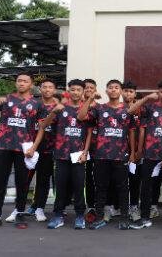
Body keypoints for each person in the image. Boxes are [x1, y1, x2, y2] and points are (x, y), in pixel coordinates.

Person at [0, 73, 56, 230]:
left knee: (22, 184)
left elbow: (42, 127)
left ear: (31, 85)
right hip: (3, 147)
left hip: (24, 149)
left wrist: (33, 147)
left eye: (25, 81)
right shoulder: (5, 99)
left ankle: (20, 214)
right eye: (19, 80)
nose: (21, 83)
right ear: (16, 83)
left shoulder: (37, 104)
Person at [79, 79, 135, 230]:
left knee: (123, 188)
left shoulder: (128, 110)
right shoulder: (99, 108)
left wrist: (132, 153)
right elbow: (81, 117)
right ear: (106, 91)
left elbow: (131, 132)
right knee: (101, 187)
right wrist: (90, 98)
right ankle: (99, 217)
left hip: (120, 155)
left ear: (121, 91)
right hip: (101, 155)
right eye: (110, 87)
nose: (113, 90)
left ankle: (124, 218)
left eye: (116, 87)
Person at [128, 79, 162, 230]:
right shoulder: (150, 108)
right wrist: (146, 98)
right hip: (150, 156)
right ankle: (145, 217)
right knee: (146, 187)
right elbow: (130, 111)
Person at [43, 79, 93, 229]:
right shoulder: (60, 108)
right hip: (61, 155)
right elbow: (44, 125)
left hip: (78, 155)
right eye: (73, 90)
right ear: (68, 91)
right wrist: (53, 111)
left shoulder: (87, 110)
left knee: (79, 186)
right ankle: (58, 215)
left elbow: (89, 133)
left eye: (79, 90)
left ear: (83, 92)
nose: (75, 92)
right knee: (60, 186)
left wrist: (85, 152)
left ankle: (80, 215)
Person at [25, 78, 58, 222]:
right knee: (26, 179)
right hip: (31, 149)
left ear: (54, 90)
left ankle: (42, 208)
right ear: (40, 89)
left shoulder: (59, 107)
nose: (47, 90)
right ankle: (24, 207)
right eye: (45, 87)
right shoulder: (34, 105)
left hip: (50, 149)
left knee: (45, 180)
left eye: (50, 87)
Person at [121, 81, 142, 222]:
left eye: (131, 91)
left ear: (135, 94)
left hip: (136, 152)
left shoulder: (141, 110)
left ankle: (134, 207)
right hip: (117, 151)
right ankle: (117, 206)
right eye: (126, 91)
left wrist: (137, 151)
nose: (128, 94)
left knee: (135, 180)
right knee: (118, 181)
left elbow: (143, 131)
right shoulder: (116, 108)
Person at [82, 78, 99, 220]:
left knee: (95, 178)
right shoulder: (77, 106)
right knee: (82, 178)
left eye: (91, 88)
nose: (88, 90)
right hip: (78, 148)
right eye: (86, 88)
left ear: (95, 90)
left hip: (97, 148)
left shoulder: (100, 107)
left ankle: (96, 206)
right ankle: (87, 206)